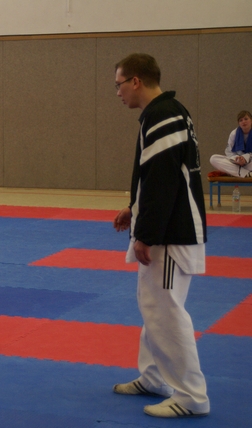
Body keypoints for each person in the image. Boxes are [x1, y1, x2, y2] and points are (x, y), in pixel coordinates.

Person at [112, 53, 210, 418]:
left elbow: (164, 181)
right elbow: (157, 175)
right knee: (153, 304)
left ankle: (191, 396)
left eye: (119, 84)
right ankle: (154, 377)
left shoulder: (163, 114)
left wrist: (147, 234)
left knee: (165, 310)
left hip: (171, 231)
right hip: (169, 226)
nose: (118, 92)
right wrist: (134, 208)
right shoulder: (165, 112)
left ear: (136, 81)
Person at [209, 110, 252, 177]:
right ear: (238, 123)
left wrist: (245, 159)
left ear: (251, 120)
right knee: (213, 159)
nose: (243, 122)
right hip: (237, 163)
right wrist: (237, 160)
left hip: (250, 162)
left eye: (246, 119)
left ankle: (239, 172)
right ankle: (247, 173)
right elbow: (229, 152)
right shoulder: (234, 134)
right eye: (241, 120)